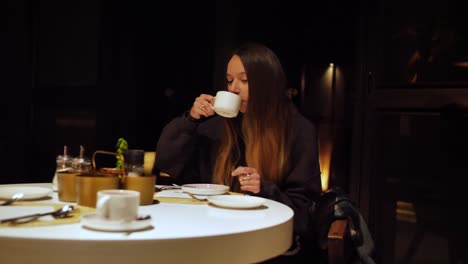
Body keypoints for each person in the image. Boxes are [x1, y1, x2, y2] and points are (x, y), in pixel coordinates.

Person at [155, 42, 322, 262]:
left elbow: (304, 216)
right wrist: (190, 120)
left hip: (270, 248)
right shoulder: (216, 129)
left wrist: (264, 189)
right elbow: (166, 161)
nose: (233, 88)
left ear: (267, 84)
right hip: (216, 237)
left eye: (244, 80)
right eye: (229, 80)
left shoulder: (298, 131)